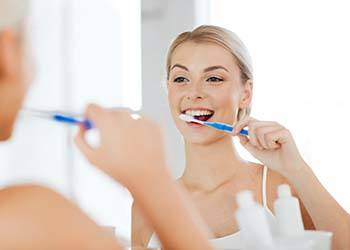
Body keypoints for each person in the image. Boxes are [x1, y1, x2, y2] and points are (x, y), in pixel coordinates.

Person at [0, 1, 213, 249]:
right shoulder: (28, 220)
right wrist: (154, 182)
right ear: (7, 54)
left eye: (214, 78)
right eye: (30, 46)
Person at [132, 25, 350, 250]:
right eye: (180, 79)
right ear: (168, 89)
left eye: (214, 78)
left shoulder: (277, 188)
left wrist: (297, 169)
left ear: (245, 94)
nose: (194, 92)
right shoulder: (146, 207)